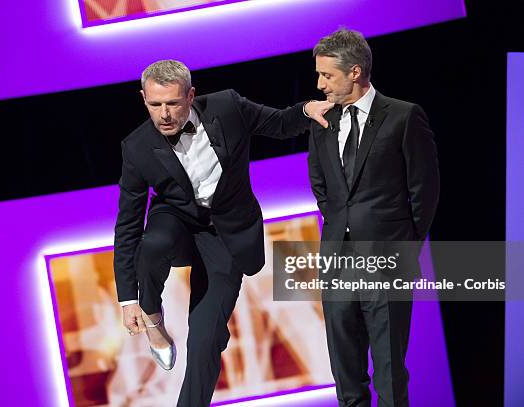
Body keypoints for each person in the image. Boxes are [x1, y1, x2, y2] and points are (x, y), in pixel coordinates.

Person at [113, 60, 331, 406]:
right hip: (176, 224)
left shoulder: (227, 107)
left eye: (172, 103)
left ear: (191, 96)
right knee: (152, 243)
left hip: (226, 235)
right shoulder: (137, 147)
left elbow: (278, 123)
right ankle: (154, 318)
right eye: (155, 105)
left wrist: (307, 110)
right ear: (143, 99)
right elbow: (127, 225)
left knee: (205, 339)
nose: (164, 114)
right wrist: (129, 300)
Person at [307, 29, 440, 407]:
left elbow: (425, 190)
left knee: (389, 372)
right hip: (336, 260)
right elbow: (321, 184)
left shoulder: (403, 116)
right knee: (346, 374)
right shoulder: (321, 121)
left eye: (326, 75)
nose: (320, 84)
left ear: (355, 72)